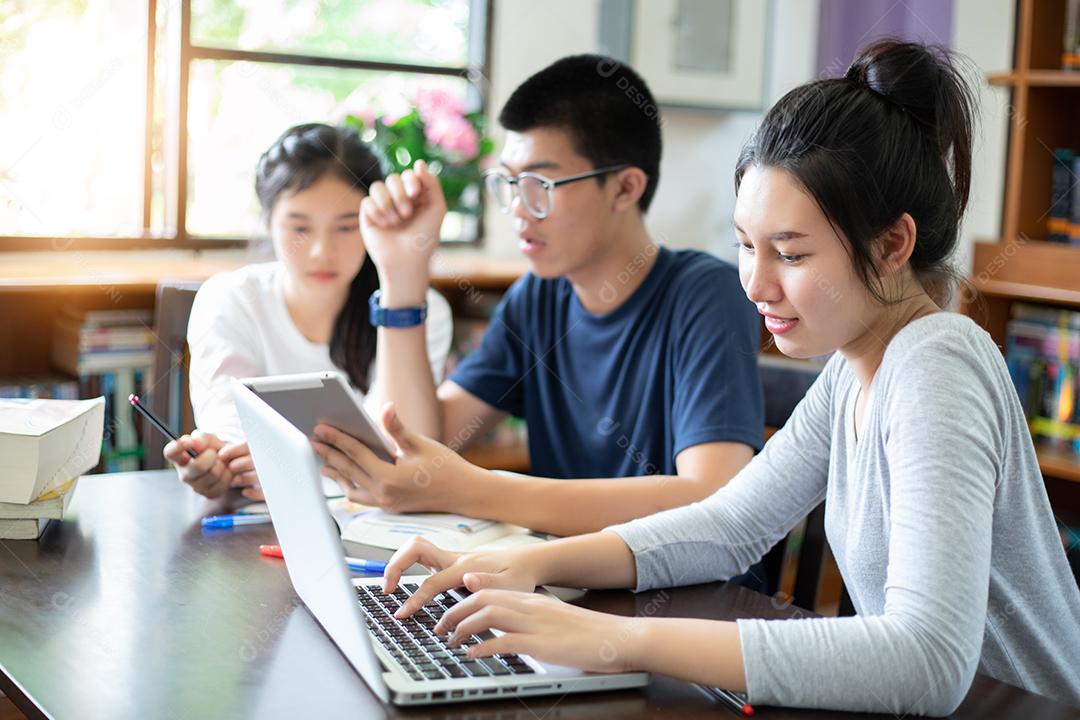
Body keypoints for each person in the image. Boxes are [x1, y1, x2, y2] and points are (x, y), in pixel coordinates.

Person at [371, 41, 1080, 714]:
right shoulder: (853, 371)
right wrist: (518, 564)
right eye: (745, 246)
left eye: (791, 255)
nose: (756, 285)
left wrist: (614, 641)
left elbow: (928, 659)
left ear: (893, 243)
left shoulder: (937, 363)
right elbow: (731, 524)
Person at [312, 54, 765, 540]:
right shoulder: (538, 298)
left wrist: (476, 489)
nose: (519, 211)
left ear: (625, 187)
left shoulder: (706, 295)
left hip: (681, 600)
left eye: (540, 185)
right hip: (560, 583)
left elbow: (712, 494)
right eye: (509, 183)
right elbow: (420, 446)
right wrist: (402, 275)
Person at [163, 123, 453, 500]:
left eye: (347, 228)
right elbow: (232, 444)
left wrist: (403, 282)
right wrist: (215, 463)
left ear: (374, 224)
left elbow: (406, 456)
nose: (321, 252)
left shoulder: (417, 310)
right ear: (268, 221)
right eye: (300, 228)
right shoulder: (230, 299)